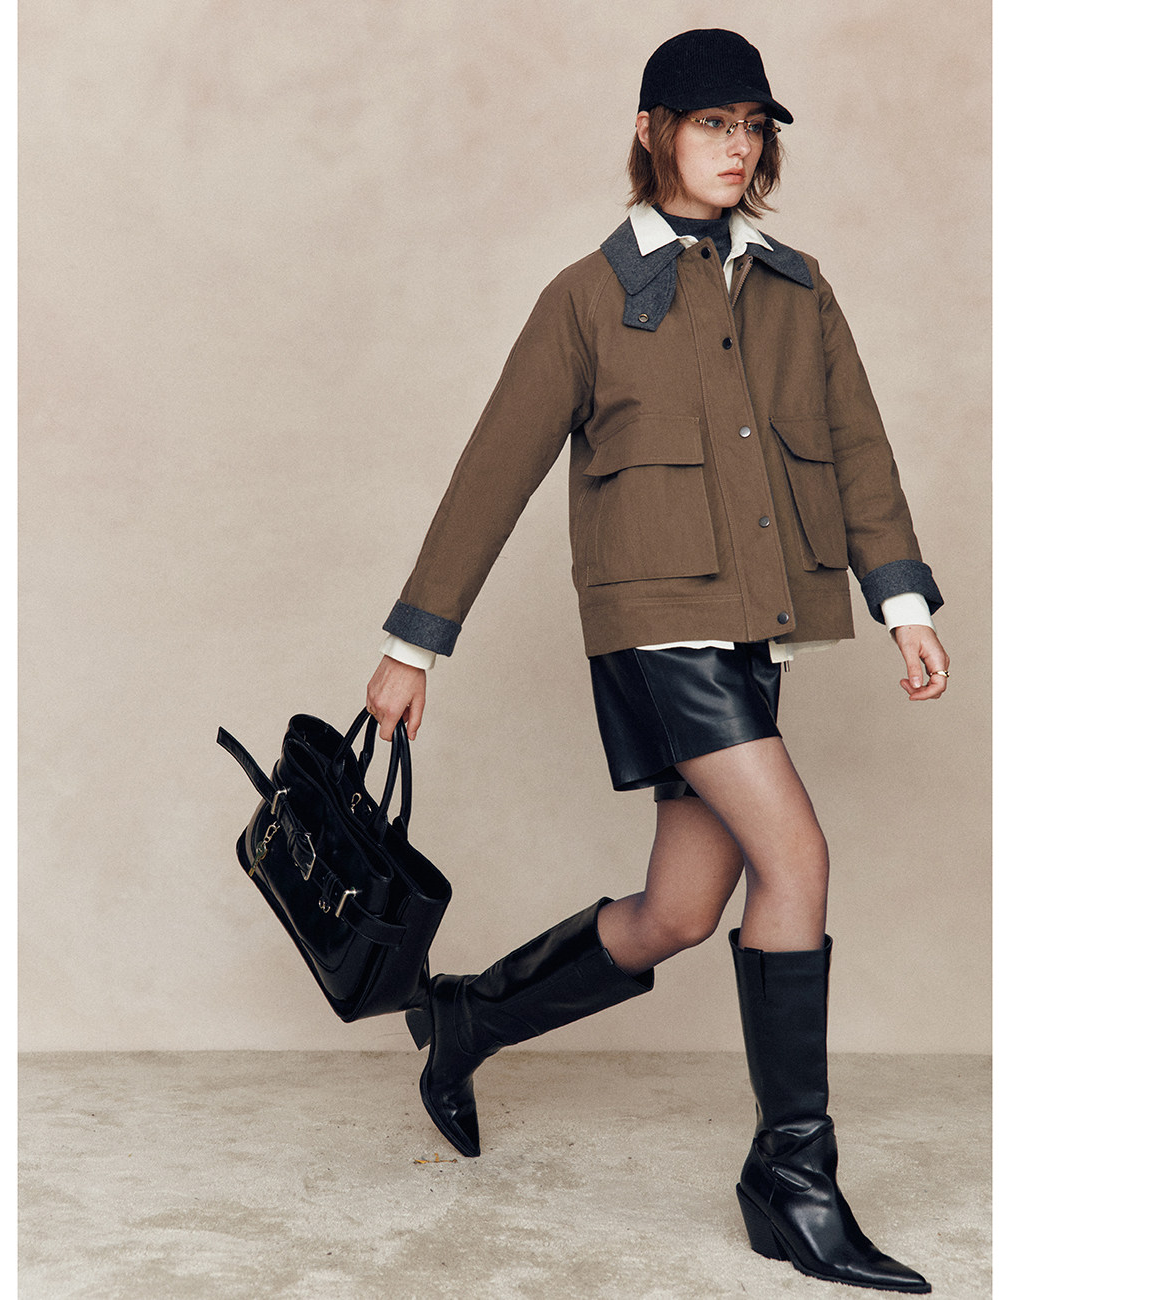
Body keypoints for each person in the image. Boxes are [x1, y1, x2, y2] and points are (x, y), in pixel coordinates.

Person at [366, 29, 946, 1295]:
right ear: (651, 132)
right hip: (655, 627)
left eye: (752, 125)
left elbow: (857, 445)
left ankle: (467, 1017)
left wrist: (900, 600)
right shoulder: (586, 295)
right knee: (796, 860)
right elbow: (494, 470)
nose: (736, 147)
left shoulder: (795, 286)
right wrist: (414, 645)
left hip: (750, 626)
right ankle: (791, 1179)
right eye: (709, 123)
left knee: (676, 913)